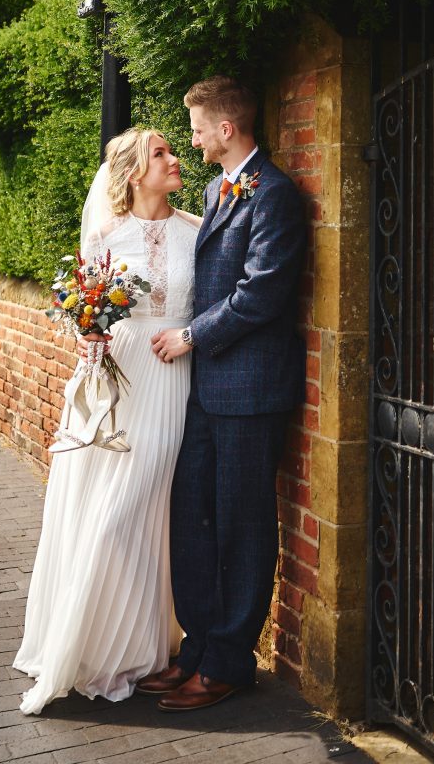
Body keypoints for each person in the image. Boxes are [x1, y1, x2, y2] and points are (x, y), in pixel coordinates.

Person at [14, 128, 202, 715]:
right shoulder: (104, 235)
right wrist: (87, 334)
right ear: (131, 174)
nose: (175, 160)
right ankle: (92, 647)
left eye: (173, 150)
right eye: (162, 154)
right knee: (111, 513)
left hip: (173, 381)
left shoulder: (197, 231)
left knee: (149, 511)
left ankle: (146, 648)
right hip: (117, 385)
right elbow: (81, 313)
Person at [137, 76, 306, 711]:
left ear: (226, 130)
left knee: (242, 523)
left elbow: (263, 292)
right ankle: (200, 650)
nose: (193, 137)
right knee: (194, 519)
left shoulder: (276, 196)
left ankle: (231, 663)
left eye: (198, 127)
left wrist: (191, 335)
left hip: (251, 387)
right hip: (205, 386)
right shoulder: (214, 189)